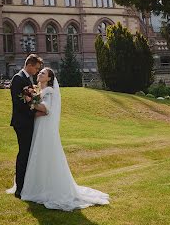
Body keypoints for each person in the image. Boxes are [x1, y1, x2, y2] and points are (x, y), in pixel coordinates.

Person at [21, 67, 109, 211]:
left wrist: (30, 101)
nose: (40, 74)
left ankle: (46, 188)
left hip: (45, 127)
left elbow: (46, 108)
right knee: (39, 153)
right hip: (39, 124)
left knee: (45, 153)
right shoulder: (39, 90)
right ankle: (39, 184)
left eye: (43, 73)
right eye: (40, 72)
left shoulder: (49, 91)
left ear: (49, 79)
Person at [9, 54, 43, 199]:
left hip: (28, 122)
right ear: (29, 65)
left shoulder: (28, 79)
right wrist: (35, 112)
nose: (36, 71)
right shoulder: (18, 79)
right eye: (36, 68)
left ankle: (27, 185)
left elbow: (30, 101)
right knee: (23, 154)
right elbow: (20, 104)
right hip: (22, 123)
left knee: (28, 153)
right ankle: (20, 188)